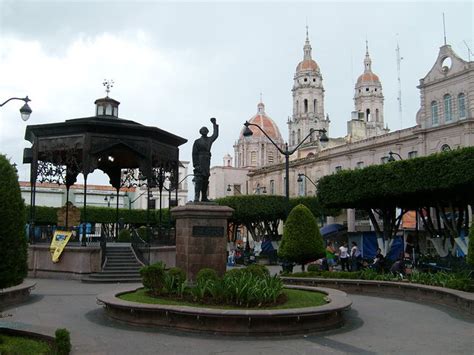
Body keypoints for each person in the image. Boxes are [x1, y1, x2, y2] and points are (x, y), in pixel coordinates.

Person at [192, 117, 219, 202]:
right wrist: (196, 165)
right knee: (198, 179)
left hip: (207, 161)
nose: (205, 131)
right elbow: (194, 154)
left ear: (207, 132)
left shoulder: (209, 140)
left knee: (205, 180)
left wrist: (214, 124)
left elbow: (215, 134)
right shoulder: (197, 141)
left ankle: (204, 197)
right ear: (201, 132)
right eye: (203, 130)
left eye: (206, 130)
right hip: (199, 161)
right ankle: (196, 197)